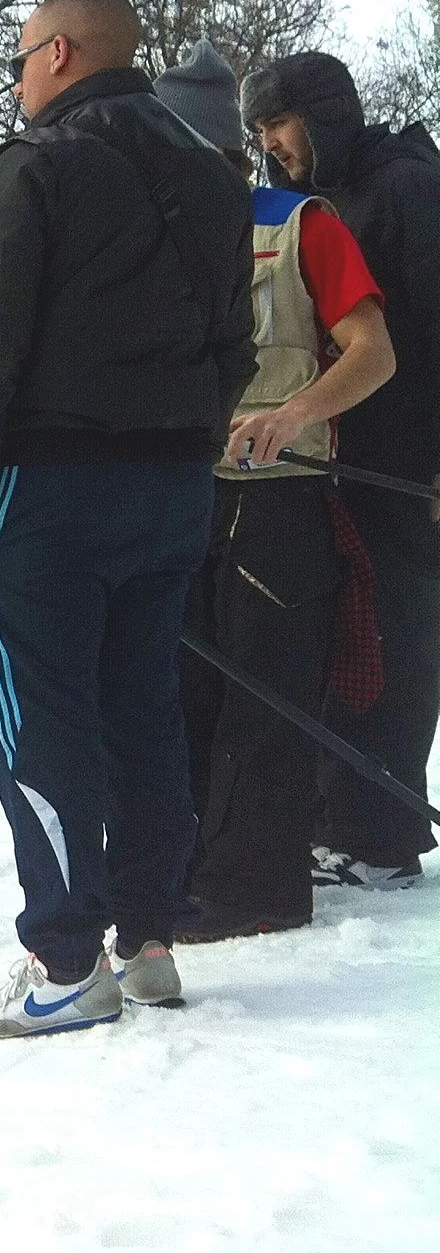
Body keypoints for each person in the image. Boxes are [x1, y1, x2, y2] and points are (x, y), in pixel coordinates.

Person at [0, 0, 255, 1038]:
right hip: (171, 489)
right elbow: (235, 347)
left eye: (20, 60)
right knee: (142, 706)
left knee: (38, 717)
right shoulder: (215, 179)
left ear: (61, 53)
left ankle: (66, 960)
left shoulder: (40, 162)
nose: (16, 82)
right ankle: (148, 938)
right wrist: (188, 438)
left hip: (45, 486)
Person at [152, 40, 394, 943]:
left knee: (264, 696)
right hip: (179, 491)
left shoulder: (300, 225)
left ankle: (259, 888)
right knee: (179, 689)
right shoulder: (141, 233)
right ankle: (183, 870)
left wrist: (294, 414)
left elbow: (375, 352)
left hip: (280, 496)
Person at [241, 52, 440, 893]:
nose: (271, 143)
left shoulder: (408, 187)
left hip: (412, 467)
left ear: (323, 113)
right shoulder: (325, 202)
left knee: (398, 638)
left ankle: (382, 836)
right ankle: (337, 819)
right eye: (259, 130)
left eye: (279, 123)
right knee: (351, 638)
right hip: (339, 459)